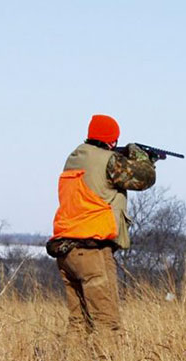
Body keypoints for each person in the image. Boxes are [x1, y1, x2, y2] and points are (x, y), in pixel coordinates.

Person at [46, 114, 156, 343]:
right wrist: (144, 158)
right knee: (107, 323)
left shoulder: (75, 158)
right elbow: (144, 179)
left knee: (79, 322)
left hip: (66, 249)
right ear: (113, 140)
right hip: (91, 250)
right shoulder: (109, 161)